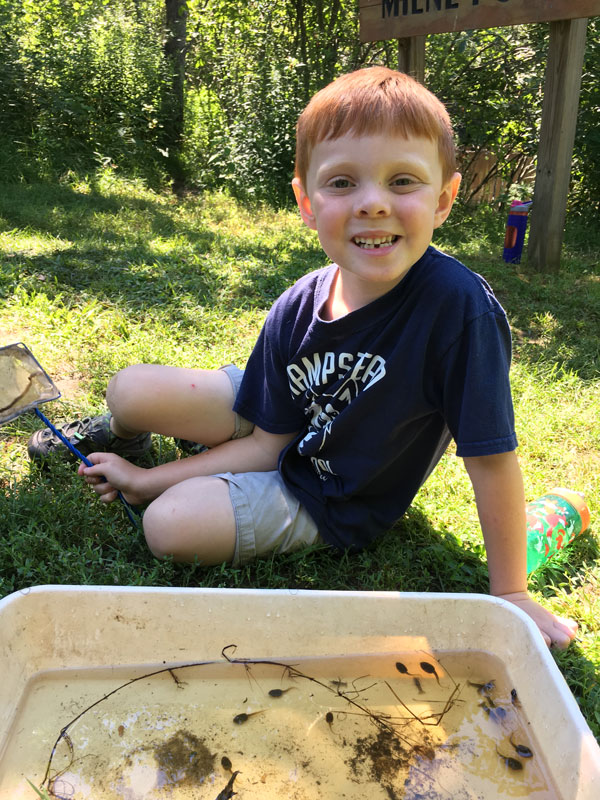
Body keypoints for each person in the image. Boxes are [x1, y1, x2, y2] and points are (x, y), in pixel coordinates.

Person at [28, 66, 577, 650]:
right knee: (130, 389)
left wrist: (511, 593)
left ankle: (185, 465)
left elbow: (491, 460)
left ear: (443, 199)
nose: (372, 204)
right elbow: (270, 441)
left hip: (334, 492)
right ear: (306, 201)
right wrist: (145, 472)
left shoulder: (460, 313)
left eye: (402, 182)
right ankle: (128, 438)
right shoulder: (297, 304)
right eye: (342, 182)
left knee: (169, 525)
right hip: (296, 426)